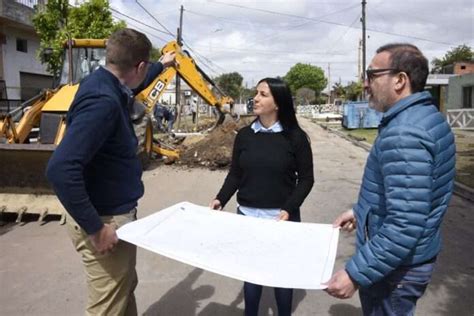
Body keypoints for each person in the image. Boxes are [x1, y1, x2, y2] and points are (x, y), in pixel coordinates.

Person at [46, 28, 175, 316]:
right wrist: (96, 228)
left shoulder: (105, 81)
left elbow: (136, 83)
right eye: (146, 66)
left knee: (124, 288)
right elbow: (60, 168)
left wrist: (161, 65)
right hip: (104, 217)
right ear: (138, 66)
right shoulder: (103, 102)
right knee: (107, 307)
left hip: (108, 211)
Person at [325, 43, 456, 316]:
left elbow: (405, 224)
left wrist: (355, 274)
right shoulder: (426, 117)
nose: (365, 84)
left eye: (372, 75)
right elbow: (412, 196)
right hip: (410, 261)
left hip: (396, 273)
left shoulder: (404, 134)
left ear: (400, 80)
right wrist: (361, 211)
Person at [209, 77, 314, 316]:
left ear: (278, 103)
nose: (255, 98)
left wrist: (289, 208)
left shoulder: (295, 137)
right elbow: (235, 174)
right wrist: (220, 198)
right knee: (251, 275)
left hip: (281, 219)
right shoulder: (245, 135)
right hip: (247, 216)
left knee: (281, 277)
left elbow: (306, 179)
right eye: (256, 93)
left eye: (263, 94)